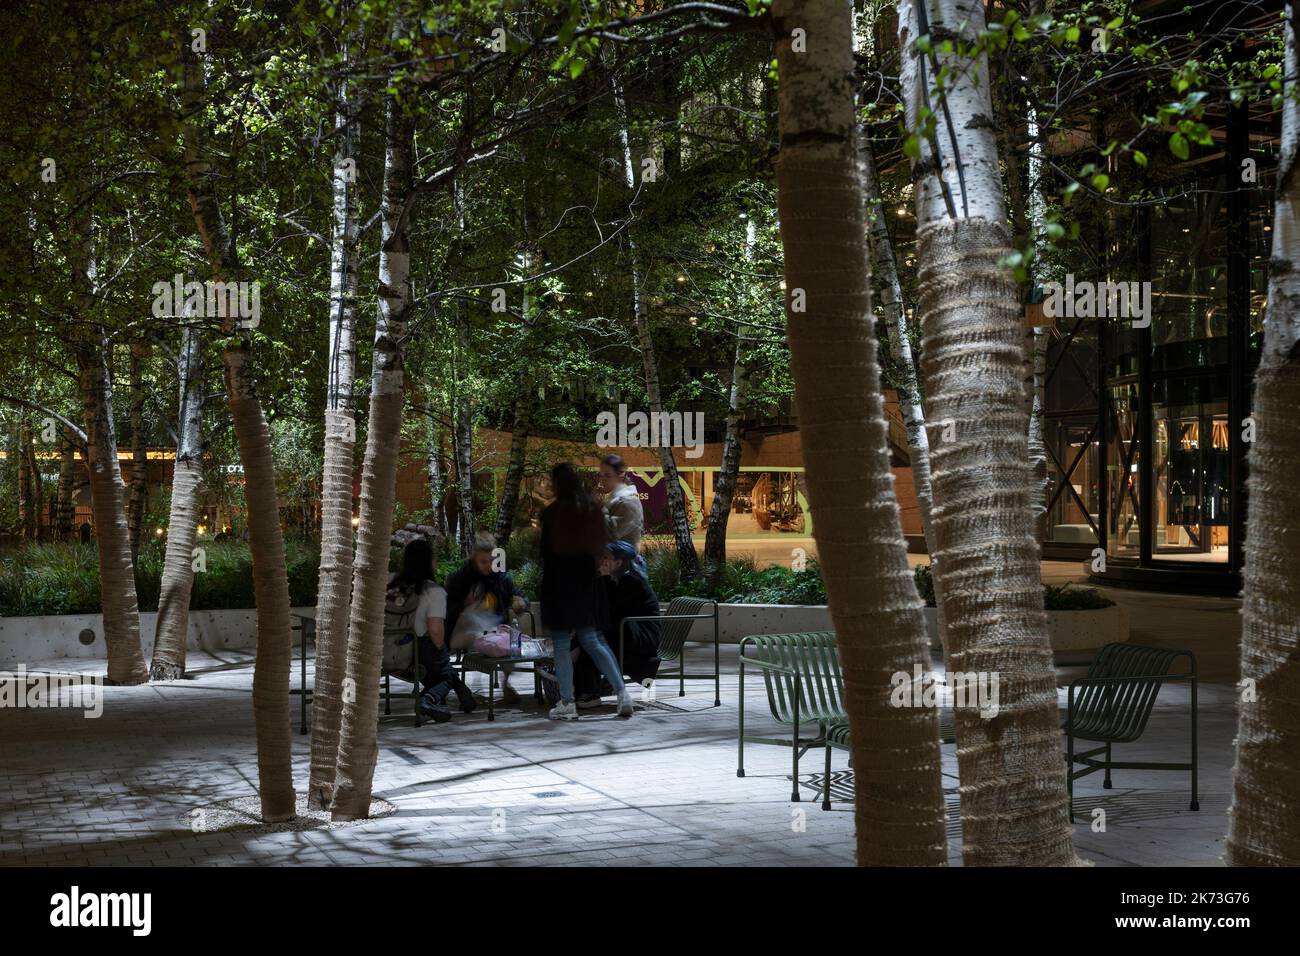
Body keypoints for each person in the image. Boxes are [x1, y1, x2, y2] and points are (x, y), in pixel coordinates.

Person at [539, 463, 633, 720]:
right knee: (592, 640)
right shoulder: (591, 510)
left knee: (560, 644)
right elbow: (603, 543)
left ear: (557, 483)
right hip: (586, 583)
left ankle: (568, 704)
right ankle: (622, 694)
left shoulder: (553, 513)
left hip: (559, 584)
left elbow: (546, 554)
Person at [388, 537, 474, 723]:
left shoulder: (390, 584)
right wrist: (441, 648)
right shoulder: (433, 591)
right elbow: (435, 631)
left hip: (387, 648)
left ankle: (464, 693)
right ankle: (428, 699)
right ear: (428, 562)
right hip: (417, 650)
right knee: (444, 675)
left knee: (443, 665)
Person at [574, 540, 662, 708]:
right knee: (590, 637)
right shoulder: (619, 580)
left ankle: (590, 692)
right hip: (627, 629)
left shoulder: (632, 582)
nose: (602, 560)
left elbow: (610, 612)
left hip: (640, 635)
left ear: (619, 562)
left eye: (606, 557)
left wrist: (603, 579)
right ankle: (588, 688)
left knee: (592, 639)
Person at [444, 533, 530, 702]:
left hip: (495, 626)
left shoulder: (500, 578)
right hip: (465, 628)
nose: (488, 566)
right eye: (483, 562)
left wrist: (521, 602)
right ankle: (469, 688)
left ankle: (506, 684)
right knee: (491, 642)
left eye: (491, 561)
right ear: (474, 558)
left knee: (509, 641)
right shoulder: (460, 578)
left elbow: (518, 595)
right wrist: (464, 605)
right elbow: (446, 608)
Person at [598, 454, 644, 553]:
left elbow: (608, 534)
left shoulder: (628, 502)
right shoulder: (616, 499)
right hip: (612, 563)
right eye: (601, 475)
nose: (602, 480)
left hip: (623, 565)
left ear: (621, 474)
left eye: (607, 475)